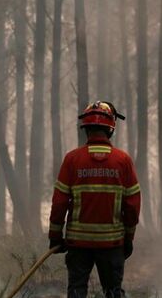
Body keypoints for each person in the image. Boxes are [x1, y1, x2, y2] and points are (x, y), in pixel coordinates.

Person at [48, 101, 141, 298]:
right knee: (113, 292)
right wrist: (129, 238)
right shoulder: (123, 161)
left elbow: (59, 203)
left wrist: (55, 236)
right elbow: (132, 205)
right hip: (112, 244)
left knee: (76, 291)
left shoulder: (72, 159)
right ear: (110, 129)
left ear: (86, 129)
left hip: (78, 244)